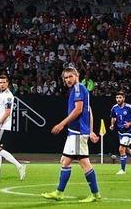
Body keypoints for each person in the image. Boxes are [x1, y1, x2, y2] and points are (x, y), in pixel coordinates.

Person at [42, 67, 101, 203]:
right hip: (76, 132)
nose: (68, 80)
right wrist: (91, 130)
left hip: (78, 133)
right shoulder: (76, 90)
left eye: (70, 76)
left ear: (77, 75)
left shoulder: (79, 88)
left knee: (84, 163)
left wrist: (62, 124)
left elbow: (79, 110)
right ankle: (59, 192)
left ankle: (95, 194)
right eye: (65, 78)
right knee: (65, 161)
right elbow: (89, 110)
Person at [0, 74, 25, 181]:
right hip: (1, 126)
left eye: (4, 82)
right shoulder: (2, 94)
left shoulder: (8, 96)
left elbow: (7, 113)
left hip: (4, 126)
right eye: (0, 82)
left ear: (8, 83)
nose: (1, 84)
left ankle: (19, 166)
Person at [109, 90, 131, 174]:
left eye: (120, 97)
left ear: (124, 98)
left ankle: (123, 170)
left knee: (121, 149)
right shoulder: (114, 108)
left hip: (129, 131)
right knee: (126, 150)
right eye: (117, 97)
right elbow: (113, 117)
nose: (118, 99)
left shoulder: (129, 107)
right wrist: (112, 125)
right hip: (120, 131)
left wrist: (130, 123)